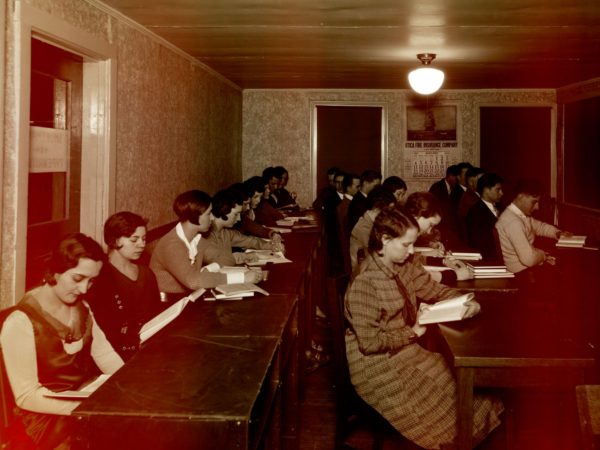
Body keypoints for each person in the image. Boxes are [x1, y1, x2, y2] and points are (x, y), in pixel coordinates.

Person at [344, 207, 503, 449]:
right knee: (454, 406)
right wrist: (413, 332)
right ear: (385, 240)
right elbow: (369, 343)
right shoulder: (366, 282)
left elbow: (437, 291)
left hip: (406, 353)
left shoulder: (404, 266)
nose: (411, 251)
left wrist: (469, 302)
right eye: (406, 244)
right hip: (376, 366)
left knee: (473, 392)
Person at [0, 233, 124, 449]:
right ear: (55, 271)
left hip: (83, 404)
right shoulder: (20, 322)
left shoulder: (82, 307)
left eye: (91, 281)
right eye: (78, 279)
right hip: (44, 420)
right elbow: (27, 397)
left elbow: (105, 355)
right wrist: (87, 407)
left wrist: (130, 386)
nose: (84, 289)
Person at [150, 190, 262, 296]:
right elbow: (193, 282)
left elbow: (226, 258)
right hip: (168, 305)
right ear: (195, 217)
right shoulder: (172, 245)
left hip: (189, 297)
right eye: (209, 214)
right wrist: (241, 278)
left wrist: (208, 269)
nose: (213, 218)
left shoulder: (197, 239)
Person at [86, 212, 163, 361]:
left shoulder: (146, 273)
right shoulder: (99, 277)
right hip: (114, 353)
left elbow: (156, 315)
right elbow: (104, 331)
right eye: (134, 240)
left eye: (144, 239)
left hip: (148, 345)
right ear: (114, 240)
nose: (142, 244)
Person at [495, 179, 568, 277]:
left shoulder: (519, 215)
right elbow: (528, 259)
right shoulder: (513, 222)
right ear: (520, 196)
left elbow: (539, 227)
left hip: (526, 267)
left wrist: (557, 233)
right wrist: (544, 256)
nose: (537, 207)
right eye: (534, 202)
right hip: (521, 273)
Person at [403, 192, 473, 283]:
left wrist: (443, 262)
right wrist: (455, 275)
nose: (429, 231)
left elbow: (413, 260)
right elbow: (414, 275)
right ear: (416, 216)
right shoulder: (398, 236)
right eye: (430, 225)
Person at [205, 188, 277, 266]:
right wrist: (250, 255)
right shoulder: (206, 234)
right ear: (224, 210)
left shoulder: (226, 232)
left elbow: (249, 241)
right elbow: (220, 259)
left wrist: (272, 246)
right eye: (236, 214)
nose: (239, 218)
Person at [349, 186, 396, 270]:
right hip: (363, 274)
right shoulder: (364, 227)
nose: (390, 215)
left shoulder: (371, 222)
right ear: (377, 208)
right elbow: (378, 253)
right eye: (389, 210)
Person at [466, 173, 505, 261]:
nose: (501, 193)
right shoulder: (475, 212)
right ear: (486, 190)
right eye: (498, 190)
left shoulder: (503, 208)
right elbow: (477, 243)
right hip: (489, 259)